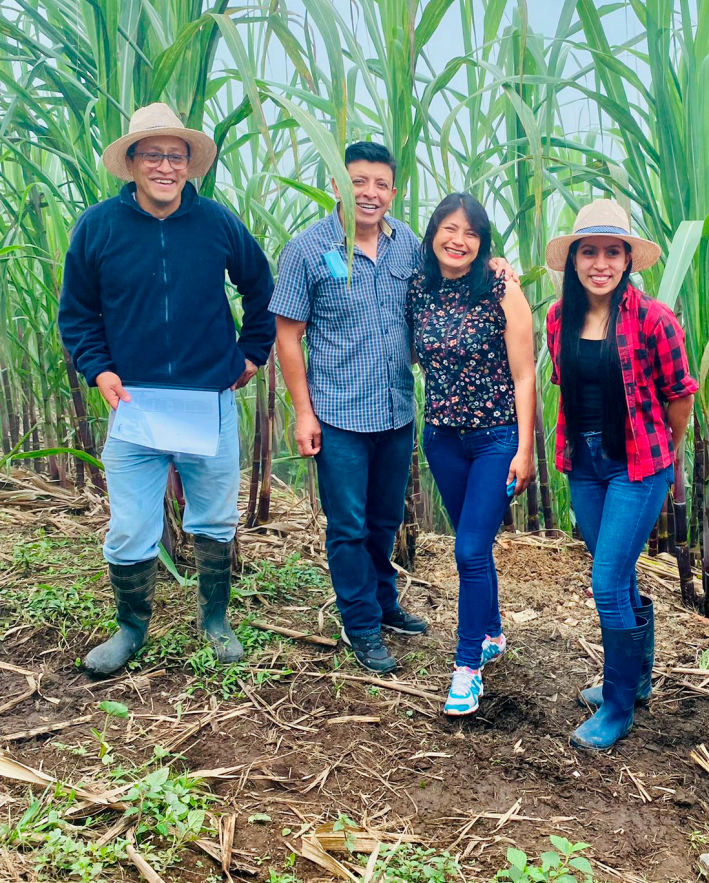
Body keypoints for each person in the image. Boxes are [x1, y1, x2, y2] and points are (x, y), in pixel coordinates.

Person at [270, 144, 516, 674]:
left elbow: (459, 269)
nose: (369, 193)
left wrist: (496, 264)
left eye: (380, 184)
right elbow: (287, 336)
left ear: (394, 192)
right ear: (337, 184)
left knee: (383, 519)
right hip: (337, 414)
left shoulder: (409, 245)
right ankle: (359, 622)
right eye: (358, 181)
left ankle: (383, 602)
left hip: (396, 411)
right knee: (348, 524)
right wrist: (302, 412)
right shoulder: (307, 251)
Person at [58, 103, 275, 674]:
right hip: (135, 405)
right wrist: (99, 369)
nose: (164, 166)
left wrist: (252, 352)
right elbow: (76, 314)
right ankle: (130, 628)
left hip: (209, 400)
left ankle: (214, 619)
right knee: (130, 523)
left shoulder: (217, 224)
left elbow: (260, 286)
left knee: (212, 517)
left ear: (188, 164)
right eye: (152, 155)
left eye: (174, 156)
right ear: (132, 162)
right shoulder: (98, 227)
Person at [545, 199, 697, 750]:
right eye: (590, 252)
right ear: (575, 260)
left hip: (638, 464)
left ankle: (616, 707)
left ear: (629, 258)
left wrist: (664, 455)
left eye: (613, 251)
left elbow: (679, 396)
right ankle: (637, 683)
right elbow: (566, 383)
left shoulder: (653, 318)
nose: (601, 263)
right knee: (620, 574)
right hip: (584, 465)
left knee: (607, 583)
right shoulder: (559, 316)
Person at [407, 193, 536, 716]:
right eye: (449, 229)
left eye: (472, 233)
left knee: (467, 551)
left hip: (495, 437)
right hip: (442, 439)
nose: (458, 241)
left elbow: (526, 375)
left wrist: (525, 449)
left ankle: (466, 667)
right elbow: (414, 354)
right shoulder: (418, 287)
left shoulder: (502, 287)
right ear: (434, 232)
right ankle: (492, 633)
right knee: (473, 549)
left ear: (483, 243)